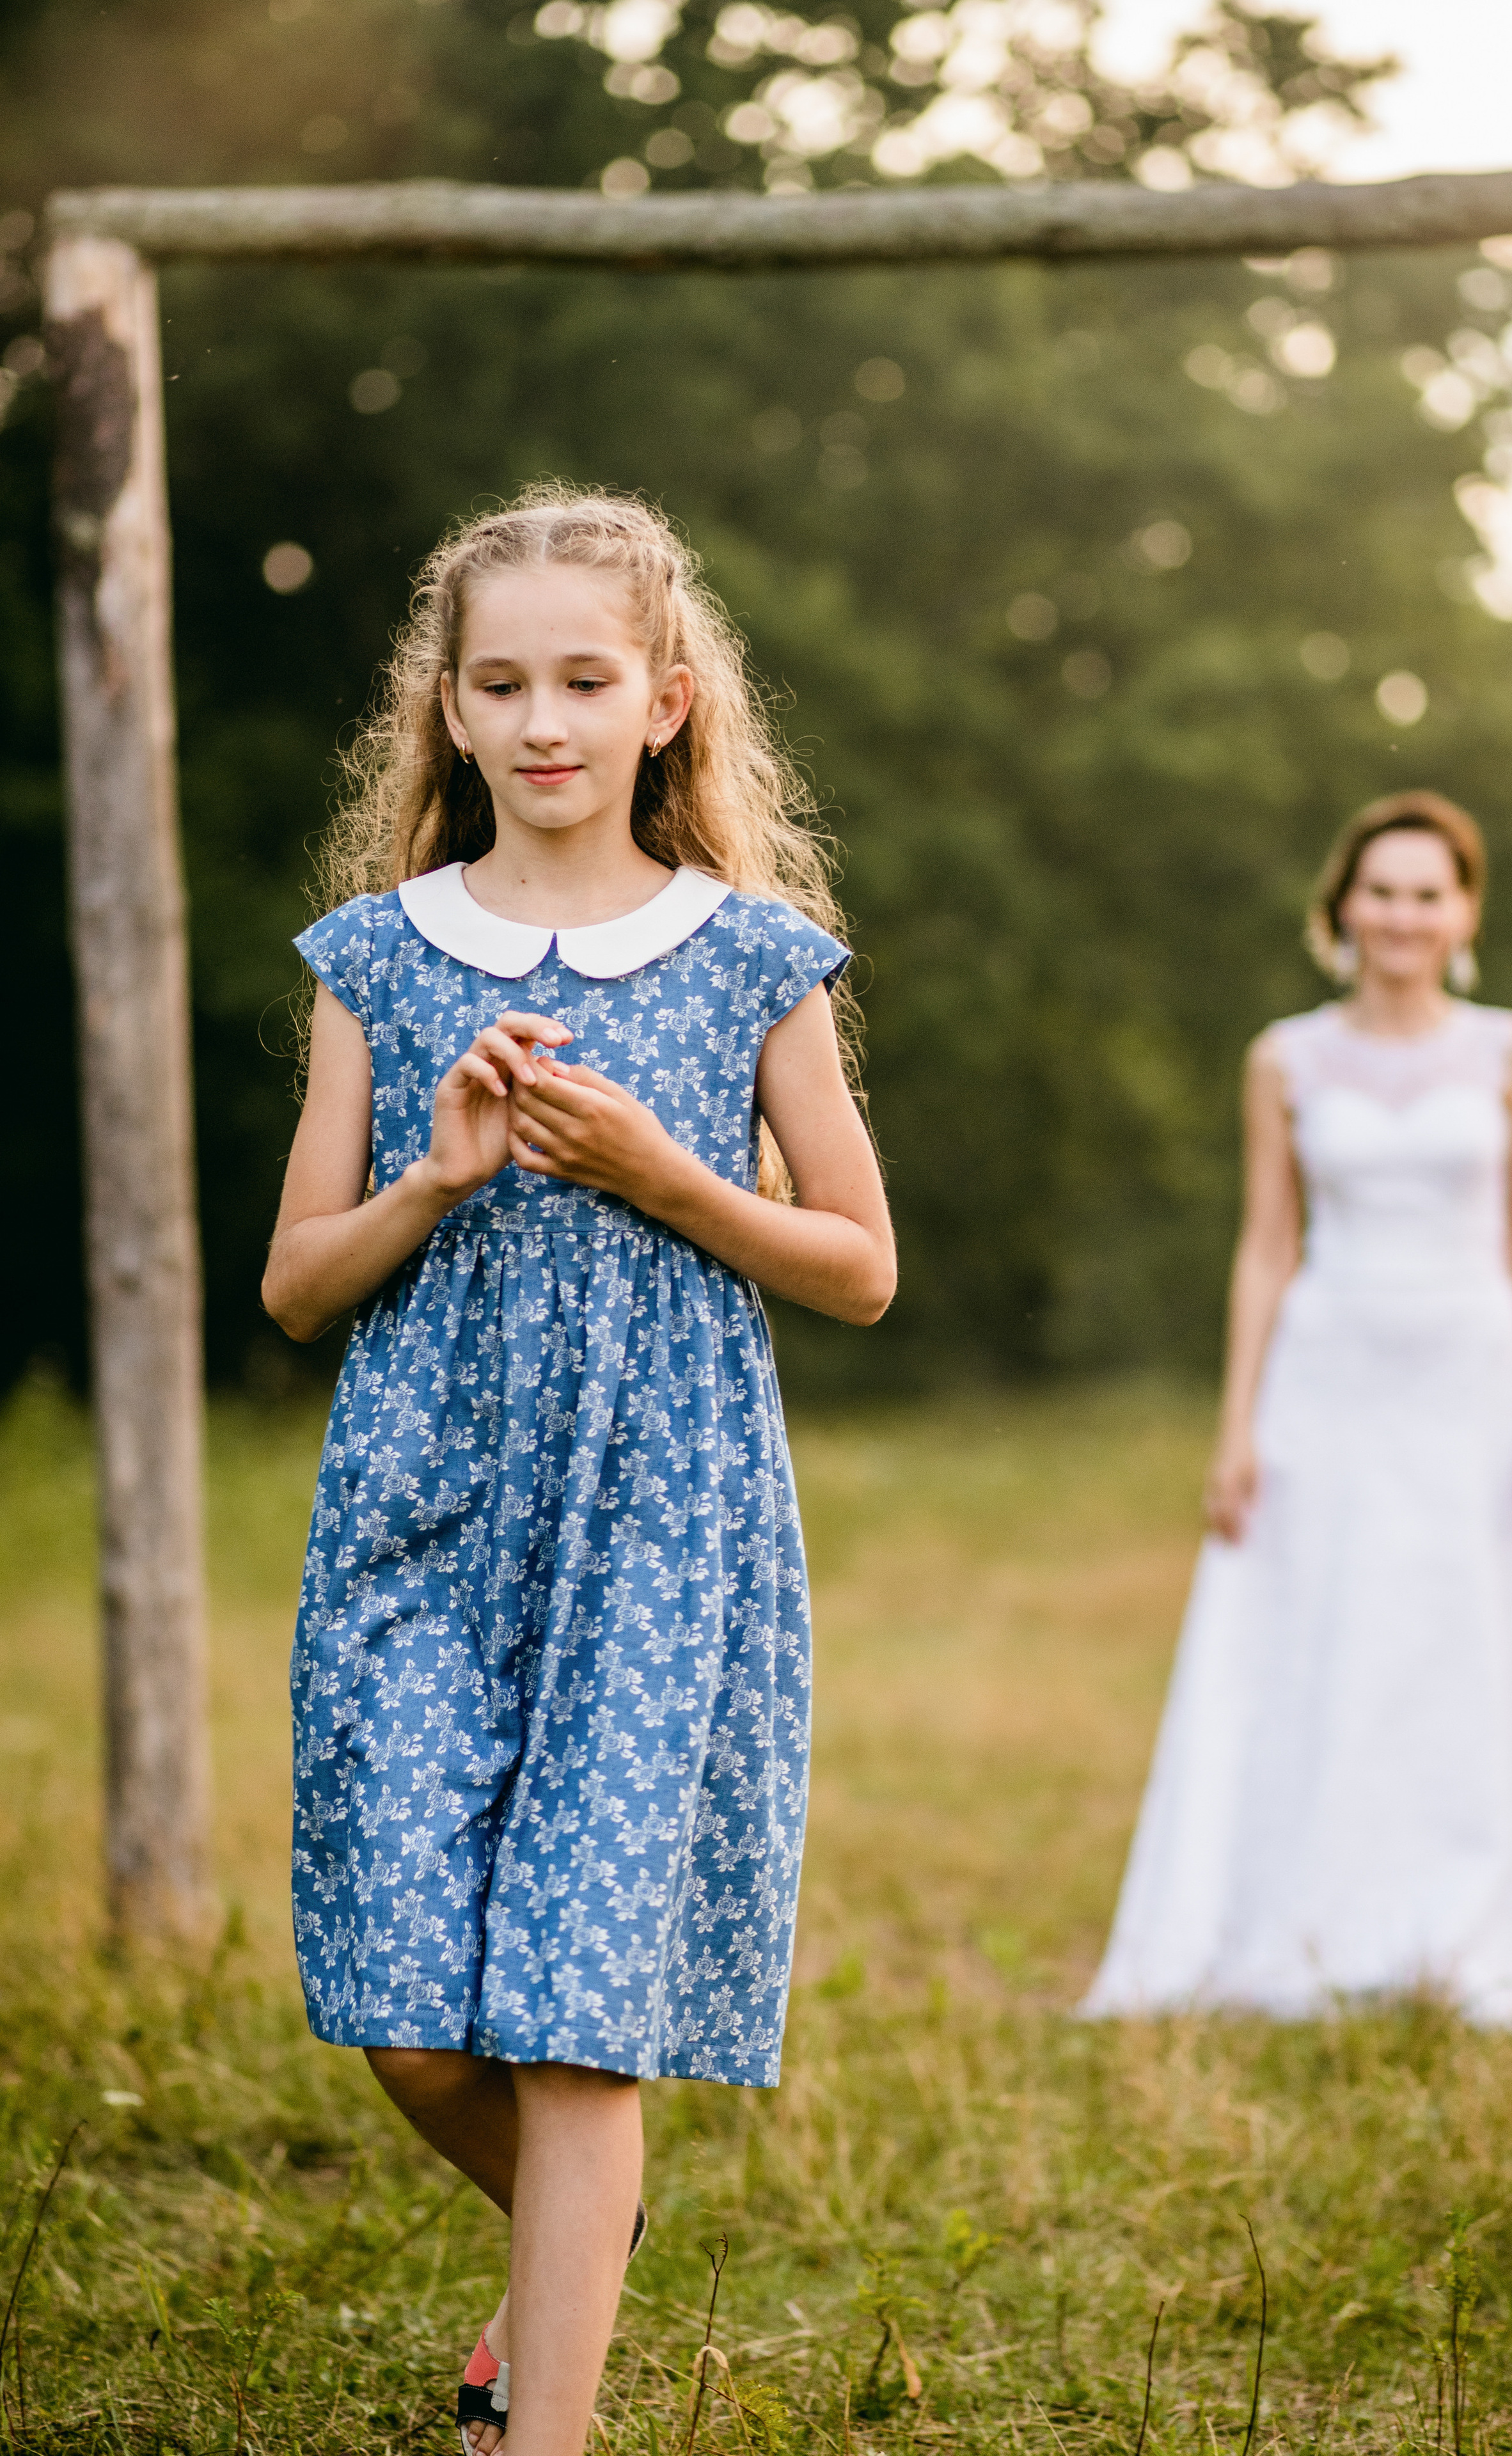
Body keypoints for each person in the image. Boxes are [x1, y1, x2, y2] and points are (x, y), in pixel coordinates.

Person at [262, 485, 896, 2456]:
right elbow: (295, 1287)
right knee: (403, 2013)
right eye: (505, 683)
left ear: (668, 704)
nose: (547, 720)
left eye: (588, 681)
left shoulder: (752, 958)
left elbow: (862, 1266)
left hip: (661, 1528)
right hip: (420, 1523)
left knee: (571, 2016)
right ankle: (581, 2246)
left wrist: (668, 1176)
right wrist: (438, 1179)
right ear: (447, 712)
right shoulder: (375, 957)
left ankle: (547, 2418)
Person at [1078, 790, 1512, 2033]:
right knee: (1322, 1632)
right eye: (1377, 892)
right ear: (1339, 912)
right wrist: (1235, 1428)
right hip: (1326, 1377)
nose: (1400, 915)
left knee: (1464, 1636)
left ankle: (1476, 1911)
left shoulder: (1510, 1052)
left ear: (1463, 912)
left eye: (1425, 892)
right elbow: (1265, 1248)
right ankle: (1316, 1917)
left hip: (1470, 1377)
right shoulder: (1284, 1056)